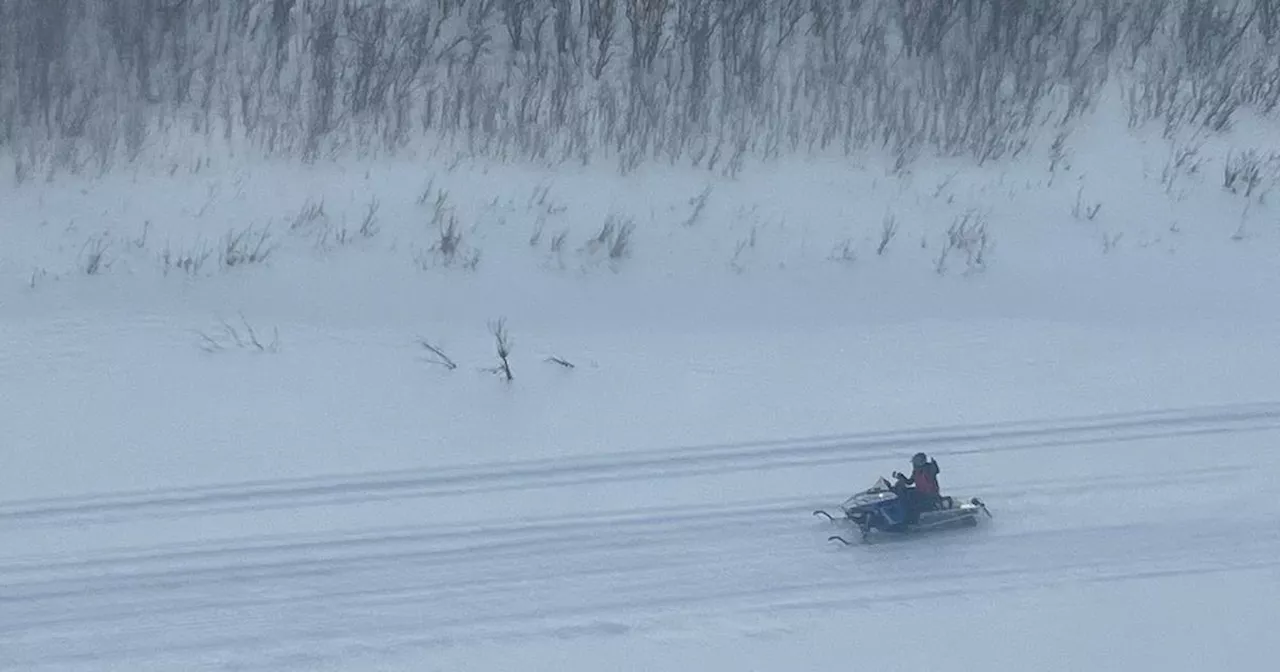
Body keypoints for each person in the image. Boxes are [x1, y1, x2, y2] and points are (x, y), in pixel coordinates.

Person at [893, 452, 943, 523]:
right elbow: (909, 482)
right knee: (906, 492)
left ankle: (910, 517)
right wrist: (901, 477)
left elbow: (935, 471)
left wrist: (934, 464)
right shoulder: (916, 472)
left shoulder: (928, 469)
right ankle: (902, 513)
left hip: (929, 494)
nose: (913, 465)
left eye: (915, 463)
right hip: (920, 492)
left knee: (910, 494)